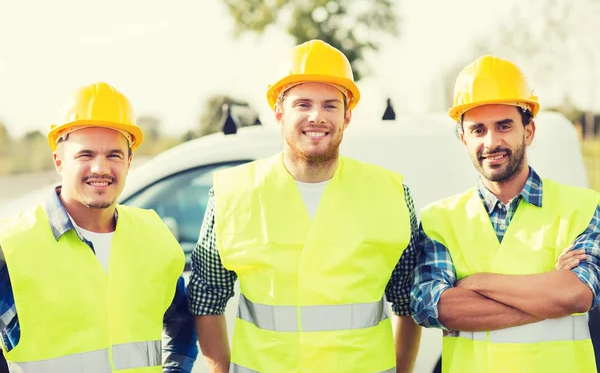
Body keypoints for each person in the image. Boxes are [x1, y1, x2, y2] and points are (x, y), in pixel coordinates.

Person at [187, 39, 422, 373]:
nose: (317, 116)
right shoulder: (232, 194)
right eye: (303, 104)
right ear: (279, 114)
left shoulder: (392, 193)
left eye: (330, 105)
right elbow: (206, 298)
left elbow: (407, 301)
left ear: (347, 116)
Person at [411, 55, 600, 373]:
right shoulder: (437, 220)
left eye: (504, 126)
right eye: (478, 130)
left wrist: (474, 282)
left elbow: (577, 295)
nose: (491, 142)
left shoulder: (583, 207)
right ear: (463, 139)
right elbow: (436, 308)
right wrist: (549, 295)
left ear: (529, 130)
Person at [0, 82, 198, 372]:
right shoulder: (12, 245)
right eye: (85, 155)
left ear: (130, 161)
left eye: (114, 155)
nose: (101, 169)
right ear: (59, 161)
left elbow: (181, 324)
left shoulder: (154, 237)